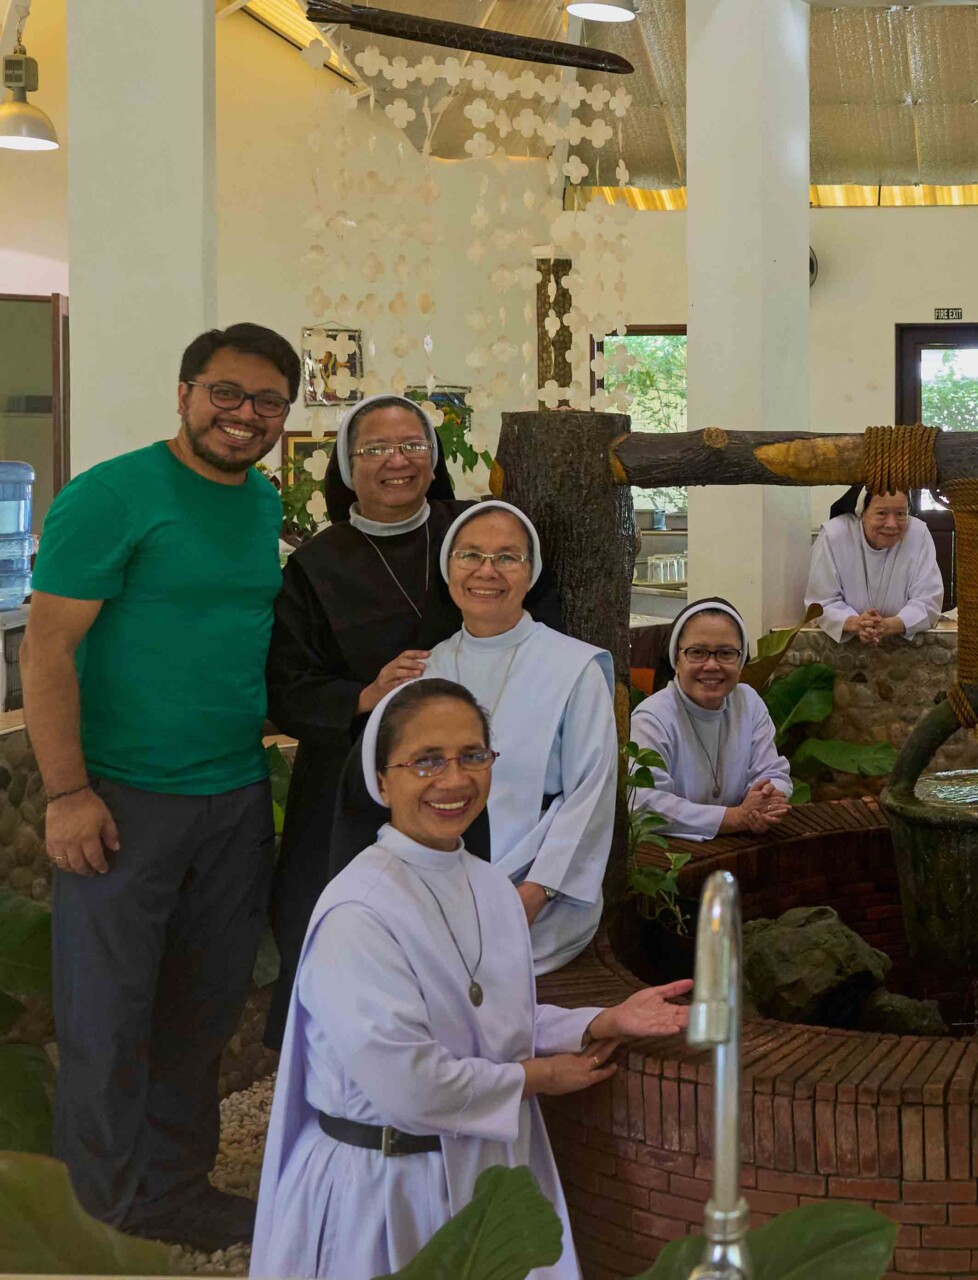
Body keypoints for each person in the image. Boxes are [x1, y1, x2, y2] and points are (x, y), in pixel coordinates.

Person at [252, 679, 691, 1280]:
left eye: (472, 755)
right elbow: (409, 1086)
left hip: (477, 1174)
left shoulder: (490, 887)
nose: (454, 779)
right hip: (382, 1192)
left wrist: (599, 1021)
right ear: (381, 781)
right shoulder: (358, 912)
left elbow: (484, 1019)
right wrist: (541, 1078)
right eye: (426, 760)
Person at [22, 324, 299, 1248]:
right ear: (185, 394)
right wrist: (67, 793)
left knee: (200, 1014)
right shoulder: (111, 495)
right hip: (120, 801)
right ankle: (98, 1227)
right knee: (106, 1023)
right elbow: (47, 646)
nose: (245, 415)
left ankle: (176, 1193)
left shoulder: (262, 505)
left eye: (267, 402)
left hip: (235, 796)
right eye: (227, 393)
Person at [264, 394, 561, 1047]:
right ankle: (346, 1069)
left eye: (411, 446)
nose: (396, 461)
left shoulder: (477, 531)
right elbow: (288, 689)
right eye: (375, 449)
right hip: (352, 782)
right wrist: (364, 695)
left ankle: (464, 1066)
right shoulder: (315, 566)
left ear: (433, 458)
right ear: (348, 466)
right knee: (347, 937)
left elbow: (542, 619)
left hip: (472, 773)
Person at [401, 501, 616, 975]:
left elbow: (592, 792)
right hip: (434, 886)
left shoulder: (574, 667)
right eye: (470, 555)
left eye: (507, 557)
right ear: (448, 567)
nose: (487, 571)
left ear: (531, 572)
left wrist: (536, 891)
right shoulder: (425, 669)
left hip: (539, 895)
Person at [629, 598, 793, 839]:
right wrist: (735, 817)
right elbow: (644, 803)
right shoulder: (652, 718)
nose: (712, 665)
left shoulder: (748, 703)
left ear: (740, 661)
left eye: (726, 653)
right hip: (671, 854)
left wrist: (765, 801)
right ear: (676, 660)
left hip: (739, 845)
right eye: (697, 652)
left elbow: (773, 773)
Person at [804, 485, 944, 645]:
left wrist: (890, 625)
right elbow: (821, 602)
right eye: (881, 513)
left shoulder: (918, 534)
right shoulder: (834, 535)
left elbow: (928, 601)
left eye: (900, 514)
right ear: (862, 513)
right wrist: (856, 623)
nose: (891, 524)